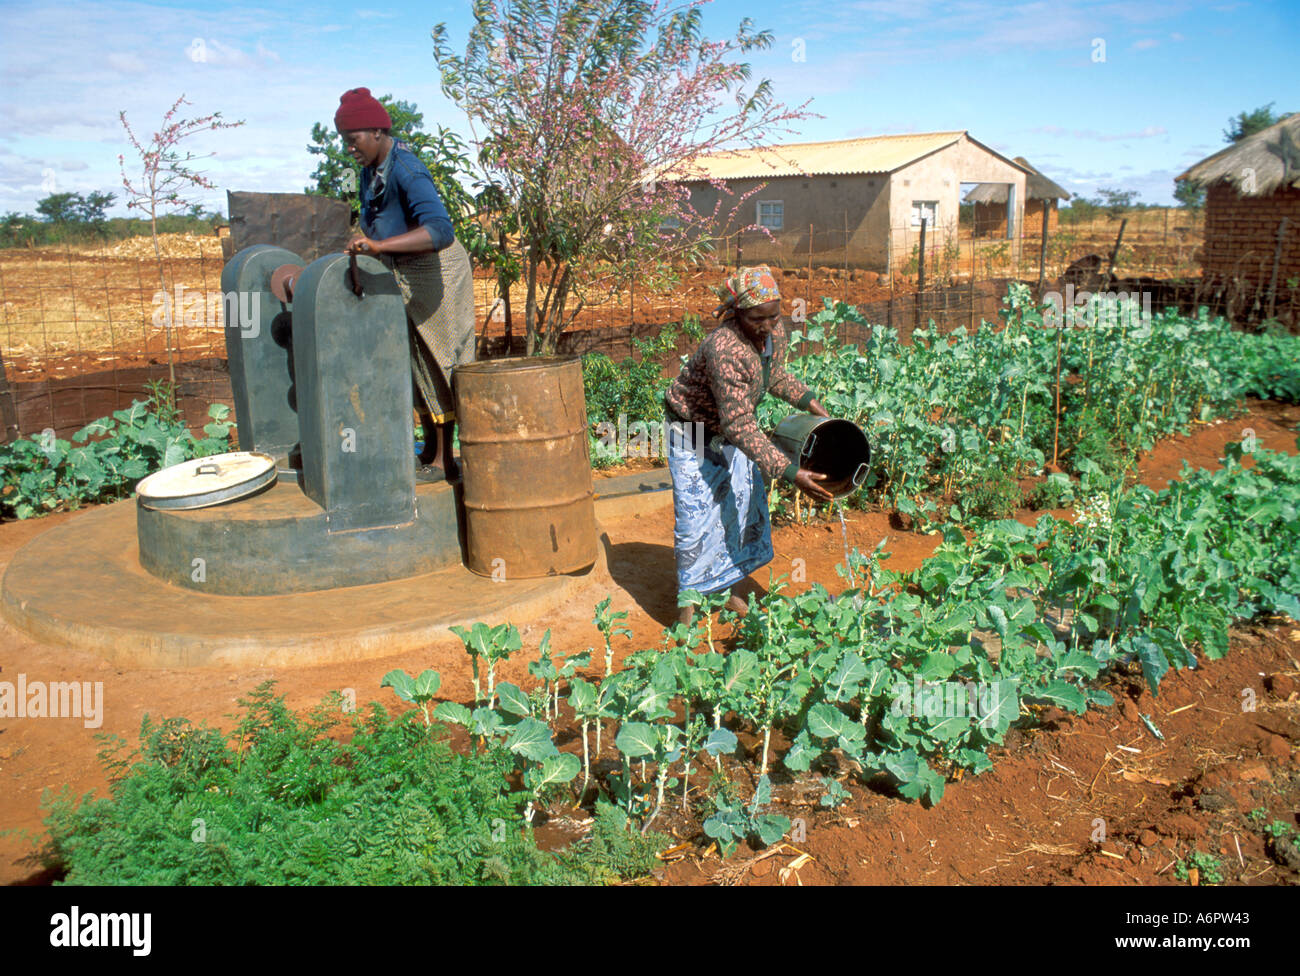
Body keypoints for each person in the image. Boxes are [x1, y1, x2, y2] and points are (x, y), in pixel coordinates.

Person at [663, 265, 833, 626]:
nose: (769, 326)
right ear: (739, 313)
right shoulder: (724, 348)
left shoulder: (772, 332)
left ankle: (734, 597)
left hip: (731, 430)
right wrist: (790, 472)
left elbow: (775, 376)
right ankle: (686, 616)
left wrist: (814, 406)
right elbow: (738, 423)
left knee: (741, 508)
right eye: (759, 318)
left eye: (775, 316)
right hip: (692, 432)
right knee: (695, 519)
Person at [335, 87, 475, 482]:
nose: (350, 148)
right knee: (414, 361)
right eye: (346, 141)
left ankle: (447, 459)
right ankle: (431, 447)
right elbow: (378, 221)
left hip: (437, 271)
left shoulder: (407, 169)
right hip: (406, 272)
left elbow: (440, 230)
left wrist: (379, 245)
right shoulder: (370, 171)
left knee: (440, 360)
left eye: (354, 139)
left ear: (377, 131)